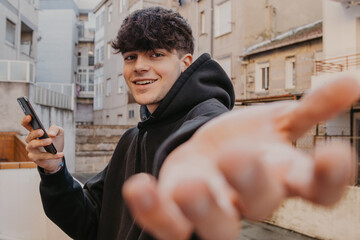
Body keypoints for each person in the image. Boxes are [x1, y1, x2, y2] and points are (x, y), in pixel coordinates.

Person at [21, 6, 359, 240]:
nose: (139, 66)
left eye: (156, 54)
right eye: (130, 57)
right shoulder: (131, 139)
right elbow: (90, 223)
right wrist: (54, 171)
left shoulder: (207, 125)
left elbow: (207, 142)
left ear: (185, 63)